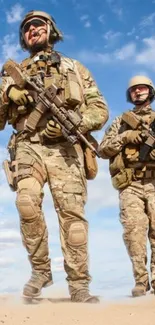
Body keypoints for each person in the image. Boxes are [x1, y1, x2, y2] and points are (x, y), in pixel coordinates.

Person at [0, 10, 109, 302]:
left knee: (73, 218)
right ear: (23, 37)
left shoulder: (75, 68)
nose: (33, 30)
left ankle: (79, 285)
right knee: (26, 202)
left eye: (39, 25)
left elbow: (100, 109)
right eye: (27, 28)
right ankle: (41, 271)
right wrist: (7, 94)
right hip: (27, 144)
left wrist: (78, 122)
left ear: (51, 30)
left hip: (65, 148)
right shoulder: (10, 73)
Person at [99, 75, 155, 297]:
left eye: (142, 88)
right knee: (134, 233)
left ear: (150, 92)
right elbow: (102, 150)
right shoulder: (120, 122)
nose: (138, 92)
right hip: (130, 184)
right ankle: (141, 281)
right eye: (134, 90)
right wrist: (125, 137)